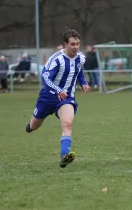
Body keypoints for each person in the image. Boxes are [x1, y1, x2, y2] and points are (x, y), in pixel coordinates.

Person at [25, 29, 89, 168]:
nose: (75, 47)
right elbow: (45, 77)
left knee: (67, 124)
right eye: (72, 44)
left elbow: (79, 71)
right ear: (65, 44)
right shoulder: (56, 60)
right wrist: (58, 90)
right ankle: (30, 125)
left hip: (66, 98)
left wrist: (83, 82)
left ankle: (64, 156)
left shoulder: (81, 58)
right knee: (34, 126)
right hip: (48, 97)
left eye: (78, 44)